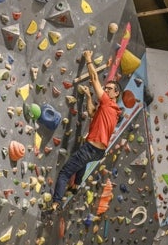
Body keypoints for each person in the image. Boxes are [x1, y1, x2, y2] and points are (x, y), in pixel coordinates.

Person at [49, 49, 122, 212]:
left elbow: (94, 77)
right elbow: (91, 113)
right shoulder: (113, 110)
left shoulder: (108, 102)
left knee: (64, 173)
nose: (106, 90)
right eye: (106, 88)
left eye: (109, 89)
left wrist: (88, 59)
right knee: (83, 162)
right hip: (99, 152)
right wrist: (89, 97)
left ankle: (56, 203)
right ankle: (75, 185)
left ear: (116, 93)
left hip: (91, 148)